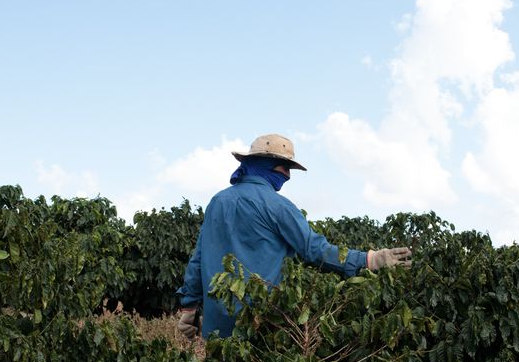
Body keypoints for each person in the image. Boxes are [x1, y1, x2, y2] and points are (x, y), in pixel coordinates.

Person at [176, 133, 412, 339]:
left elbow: (199, 257)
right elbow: (313, 249)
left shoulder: (217, 201)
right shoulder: (277, 206)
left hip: (219, 321)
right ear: (265, 163)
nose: (287, 174)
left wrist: (188, 308)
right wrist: (371, 260)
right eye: (284, 167)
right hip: (264, 321)